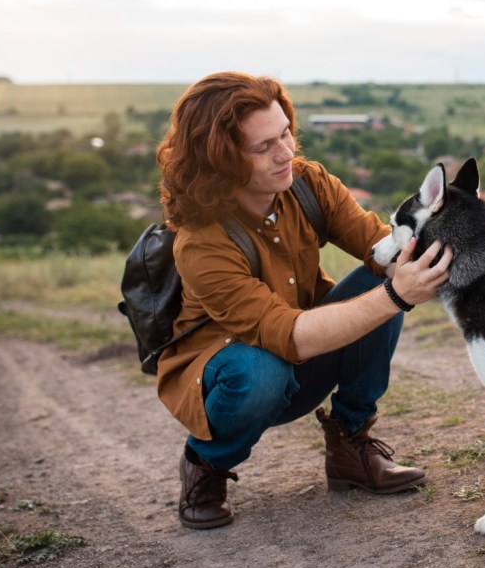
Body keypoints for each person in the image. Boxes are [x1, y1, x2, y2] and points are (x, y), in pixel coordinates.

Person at [155, 71, 452, 529]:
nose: (286, 152)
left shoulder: (307, 183)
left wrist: (454, 261)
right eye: (264, 147)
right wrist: (397, 293)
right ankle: (206, 464)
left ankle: (350, 445)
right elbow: (289, 337)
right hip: (234, 378)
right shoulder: (201, 242)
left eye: (286, 132)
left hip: (304, 353)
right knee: (262, 368)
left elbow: (383, 249)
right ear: (220, 161)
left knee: (378, 288)